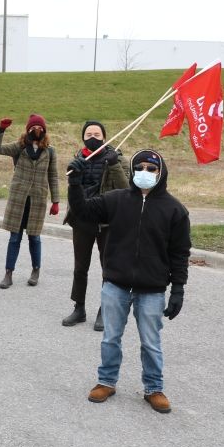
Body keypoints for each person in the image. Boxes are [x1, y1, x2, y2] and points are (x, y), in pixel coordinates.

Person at [67, 149, 190, 414]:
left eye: (151, 168)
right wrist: (74, 183)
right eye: (140, 167)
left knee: (151, 342)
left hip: (152, 289)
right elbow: (83, 211)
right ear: (132, 170)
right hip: (116, 284)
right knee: (111, 337)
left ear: (161, 173)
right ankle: (106, 381)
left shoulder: (175, 210)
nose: (145, 172)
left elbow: (180, 253)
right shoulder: (116, 200)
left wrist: (178, 288)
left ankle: (154, 388)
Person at [61, 121, 129, 331]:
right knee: (80, 267)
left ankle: (104, 310)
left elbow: (126, 188)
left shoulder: (117, 158)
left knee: (107, 269)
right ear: (83, 137)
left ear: (104, 136)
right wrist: (73, 173)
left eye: (97, 133)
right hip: (82, 220)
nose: (93, 137)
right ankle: (79, 307)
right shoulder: (78, 159)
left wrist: (114, 165)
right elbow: (73, 192)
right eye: (89, 133)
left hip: (107, 222)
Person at [0, 114, 60, 289]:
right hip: (19, 199)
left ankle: (36, 270)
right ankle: (8, 273)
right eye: (33, 128)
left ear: (44, 131)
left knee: (34, 238)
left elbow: (53, 176)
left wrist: (56, 201)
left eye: (40, 129)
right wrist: (1, 130)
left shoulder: (50, 151)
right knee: (14, 237)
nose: (36, 131)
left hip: (37, 200)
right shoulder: (19, 147)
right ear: (28, 130)